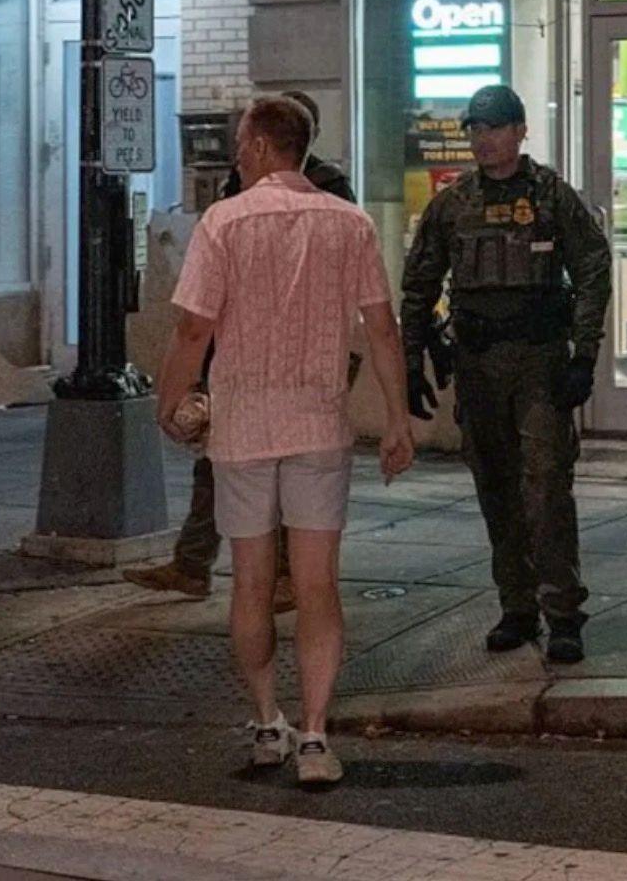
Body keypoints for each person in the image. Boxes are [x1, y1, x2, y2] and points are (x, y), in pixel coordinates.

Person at [156, 96, 414, 786]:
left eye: (243, 144)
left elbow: (192, 330)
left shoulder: (225, 223)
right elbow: (381, 328)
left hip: (241, 425)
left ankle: (268, 719)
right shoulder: (349, 223)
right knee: (317, 583)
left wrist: (169, 400)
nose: (237, 156)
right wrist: (395, 418)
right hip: (318, 423)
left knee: (249, 584)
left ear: (266, 147)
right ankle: (316, 735)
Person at [400, 84, 612, 664]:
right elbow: (419, 284)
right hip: (477, 364)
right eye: (474, 128)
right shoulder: (453, 204)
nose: (482, 138)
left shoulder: (551, 197)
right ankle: (517, 606)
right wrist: (410, 358)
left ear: (520, 130)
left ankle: (562, 611)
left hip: (539, 362)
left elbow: (594, 270)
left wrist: (583, 357)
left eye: (493, 127)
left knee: (545, 487)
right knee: (495, 487)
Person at [126, 91, 355, 606]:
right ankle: (194, 563)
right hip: (238, 351)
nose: (242, 150)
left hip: (297, 358)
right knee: (217, 463)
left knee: (286, 472)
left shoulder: (328, 189)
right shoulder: (239, 184)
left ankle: (284, 575)